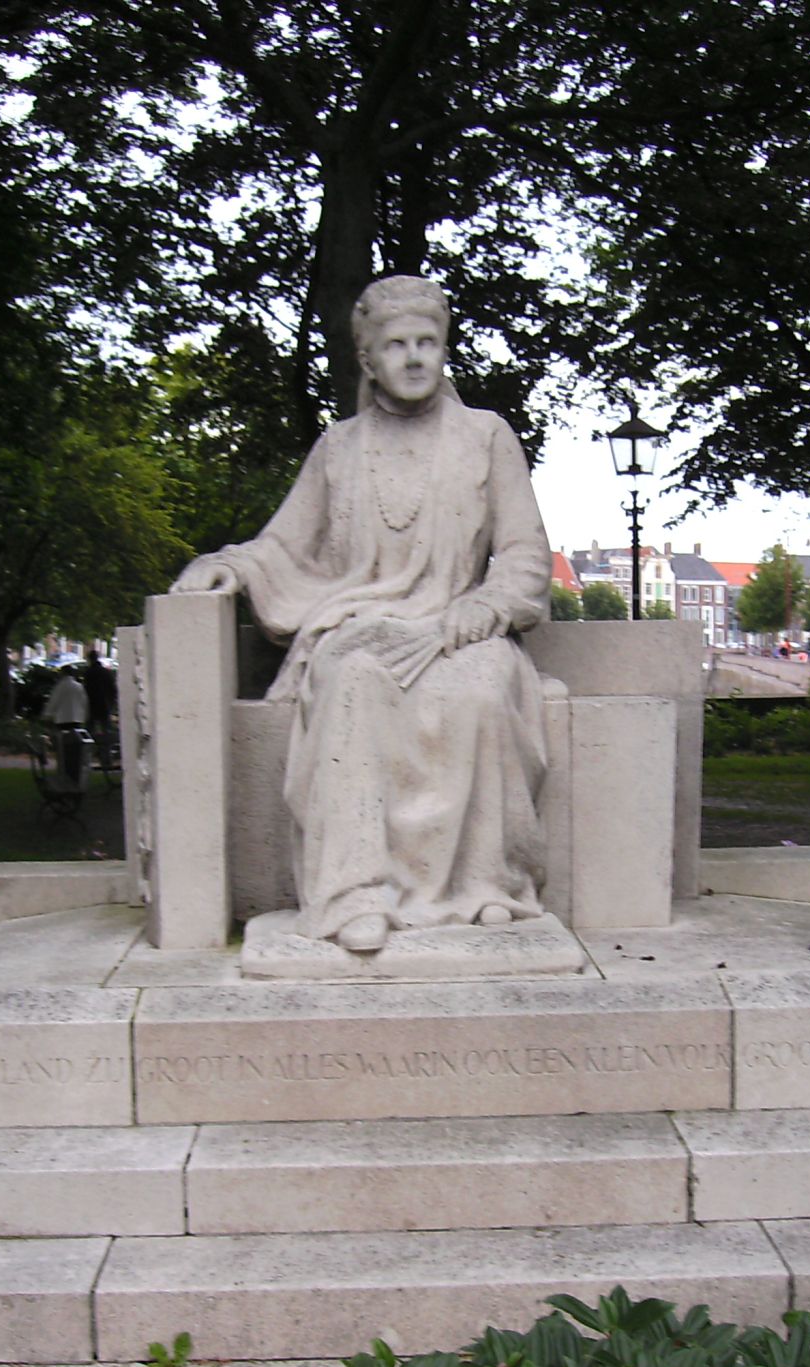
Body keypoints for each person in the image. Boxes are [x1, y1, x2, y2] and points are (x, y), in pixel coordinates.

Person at [172, 275, 550, 953]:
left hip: (461, 630)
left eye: (428, 342)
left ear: (444, 350)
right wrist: (235, 565)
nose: (415, 357)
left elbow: (525, 554)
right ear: (368, 360)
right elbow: (286, 543)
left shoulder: (485, 436)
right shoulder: (339, 448)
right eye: (397, 345)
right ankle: (355, 892)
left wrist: (487, 603)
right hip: (365, 630)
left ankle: (483, 884)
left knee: (480, 691)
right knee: (351, 686)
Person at [44, 666, 89, 786]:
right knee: (75, 749)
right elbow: (84, 703)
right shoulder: (79, 686)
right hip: (77, 720)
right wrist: (84, 716)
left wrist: (47, 715)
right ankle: (74, 772)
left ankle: (63, 772)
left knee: (62, 749)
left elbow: (53, 702)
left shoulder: (60, 686)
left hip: (63, 720)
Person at [81, 649, 117, 767]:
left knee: (88, 733)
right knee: (106, 733)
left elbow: (85, 690)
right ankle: (106, 758)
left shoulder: (88, 673)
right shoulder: (105, 672)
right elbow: (113, 690)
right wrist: (111, 704)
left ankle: (86, 758)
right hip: (105, 706)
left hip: (92, 706)